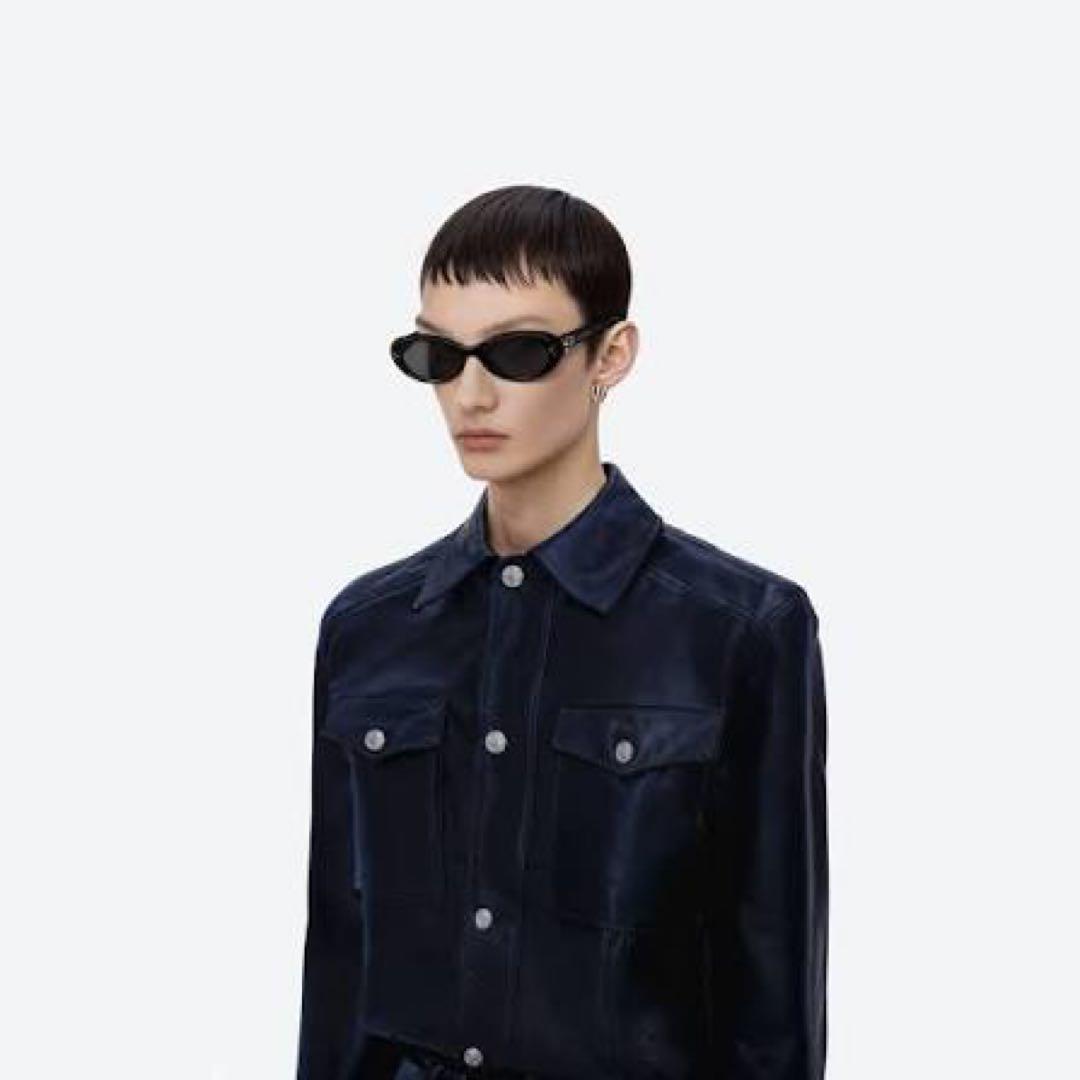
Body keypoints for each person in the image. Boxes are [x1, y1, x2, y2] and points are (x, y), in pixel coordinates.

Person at [295, 184, 828, 1079]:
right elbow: (340, 966)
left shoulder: (740, 631)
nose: (470, 395)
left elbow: (771, 997)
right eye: (439, 356)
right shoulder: (369, 629)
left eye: (518, 352)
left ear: (610, 355)